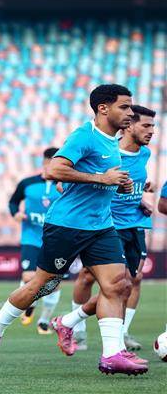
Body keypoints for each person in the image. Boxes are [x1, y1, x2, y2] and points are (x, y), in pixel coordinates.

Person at [0, 84, 148, 375]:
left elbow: (93, 180)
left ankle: (112, 354)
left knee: (118, 285)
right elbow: (54, 170)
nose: (130, 112)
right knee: (41, 286)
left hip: (101, 225)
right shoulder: (85, 136)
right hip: (67, 225)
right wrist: (102, 178)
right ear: (103, 108)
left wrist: (119, 185)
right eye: (124, 106)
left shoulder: (112, 141)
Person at [60, 105, 155, 361]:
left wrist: (141, 196)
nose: (152, 131)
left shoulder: (145, 153)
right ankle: (79, 331)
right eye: (146, 125)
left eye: (153, 126)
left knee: (131, 282)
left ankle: (116, 333)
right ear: (129, 126)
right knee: (90, 279)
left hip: (134, 224)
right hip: (107, 225)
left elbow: (129, 184)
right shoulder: (108, 152)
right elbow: (63, 185)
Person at [8, 147, 62, 334]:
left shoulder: (66, 185)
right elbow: (13, 201)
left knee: (54, 282)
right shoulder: (27, 183)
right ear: (44, 162)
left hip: (56, 240)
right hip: (31, 238)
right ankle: (29, 303)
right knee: (28, 277)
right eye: (50, 162)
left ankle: (44, 321)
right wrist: (16, 213)